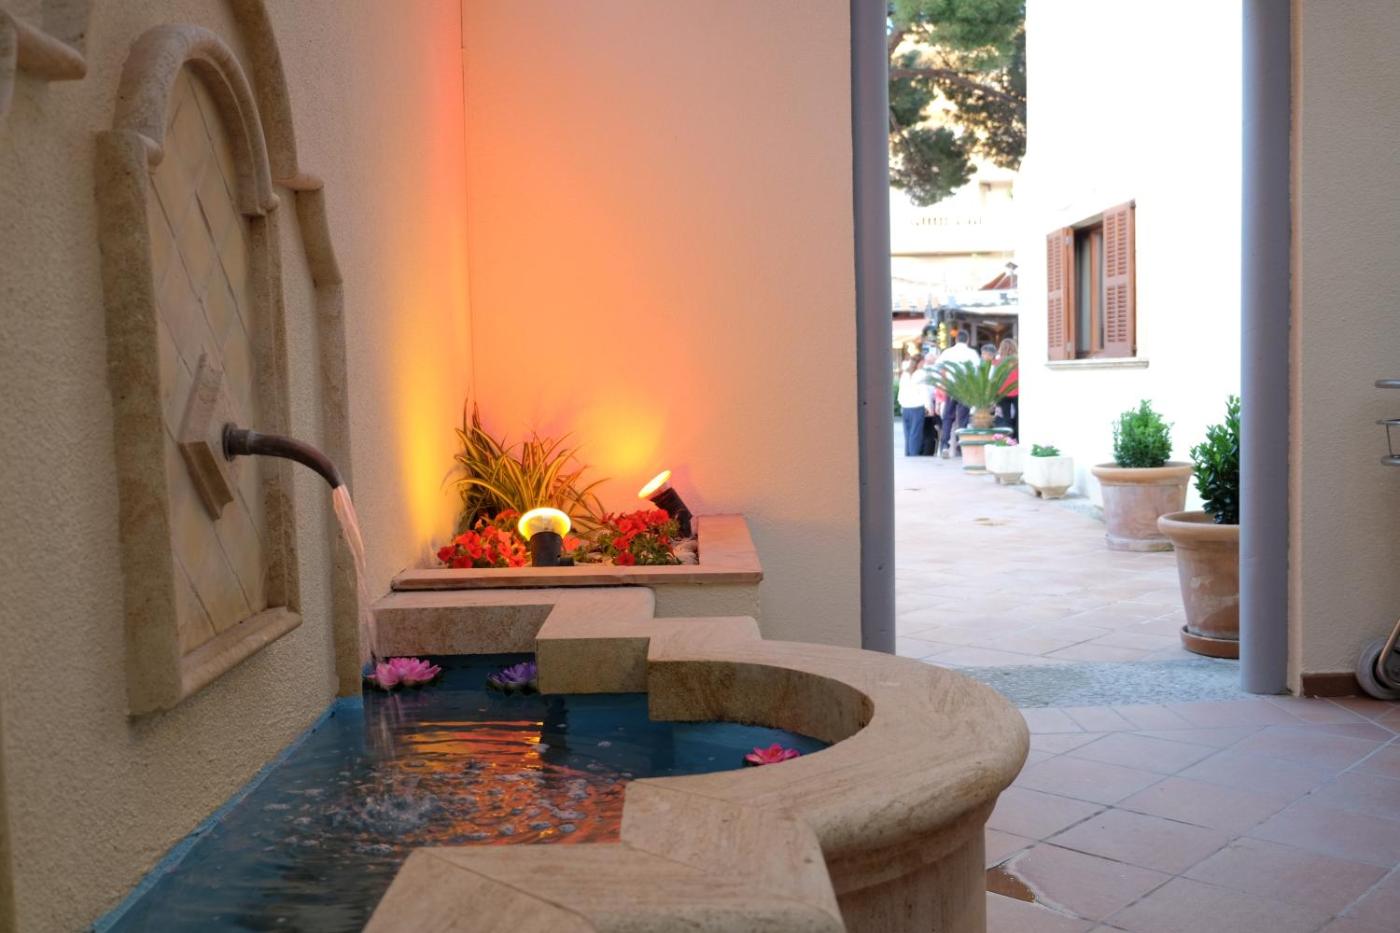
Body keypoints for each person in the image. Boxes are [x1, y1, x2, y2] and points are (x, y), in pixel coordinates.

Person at [935, 332, 980, 457]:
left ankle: (944, 446)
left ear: (956, 340)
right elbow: (977, 372)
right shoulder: (972, 353)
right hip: (965, 387)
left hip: (951, 386)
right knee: (963, 417)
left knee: (947, 417)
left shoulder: (948, 352)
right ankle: (962, 446)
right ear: (967, 340)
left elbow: (938, 367)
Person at [897, 353, 934, 456]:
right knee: (916, 433)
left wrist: (901, 404)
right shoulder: (921, 374)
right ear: (920, 362)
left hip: (905, 406)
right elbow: (924, 392)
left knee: (907, 433)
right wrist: (929, 406)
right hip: (917, 406)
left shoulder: (905, 374)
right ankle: (914, 454)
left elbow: (901, 391)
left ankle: (908, 453)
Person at [996, 337, 1019, 438]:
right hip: (1017, 391)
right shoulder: (1019, 361)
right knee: (1019, 416)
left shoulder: (997, 362)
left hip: (1002, 392)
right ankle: (1017, 437)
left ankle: (1007, 438)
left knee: (1005, 417)